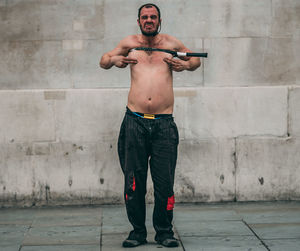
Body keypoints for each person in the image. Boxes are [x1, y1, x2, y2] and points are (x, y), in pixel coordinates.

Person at [100, 3, 201, 248]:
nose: (149, 20)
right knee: (133, 182)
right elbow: (103, 60)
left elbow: (196, 59)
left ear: (159, 20)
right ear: (138, 21)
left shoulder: (171, 44)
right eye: (144, 17)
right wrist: (116, 61)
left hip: (164, 124)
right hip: (134, 122)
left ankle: (164, 232)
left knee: (164, 182)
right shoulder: (130, 43)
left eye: (153, 17)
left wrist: (185, 65)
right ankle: (137, 232)